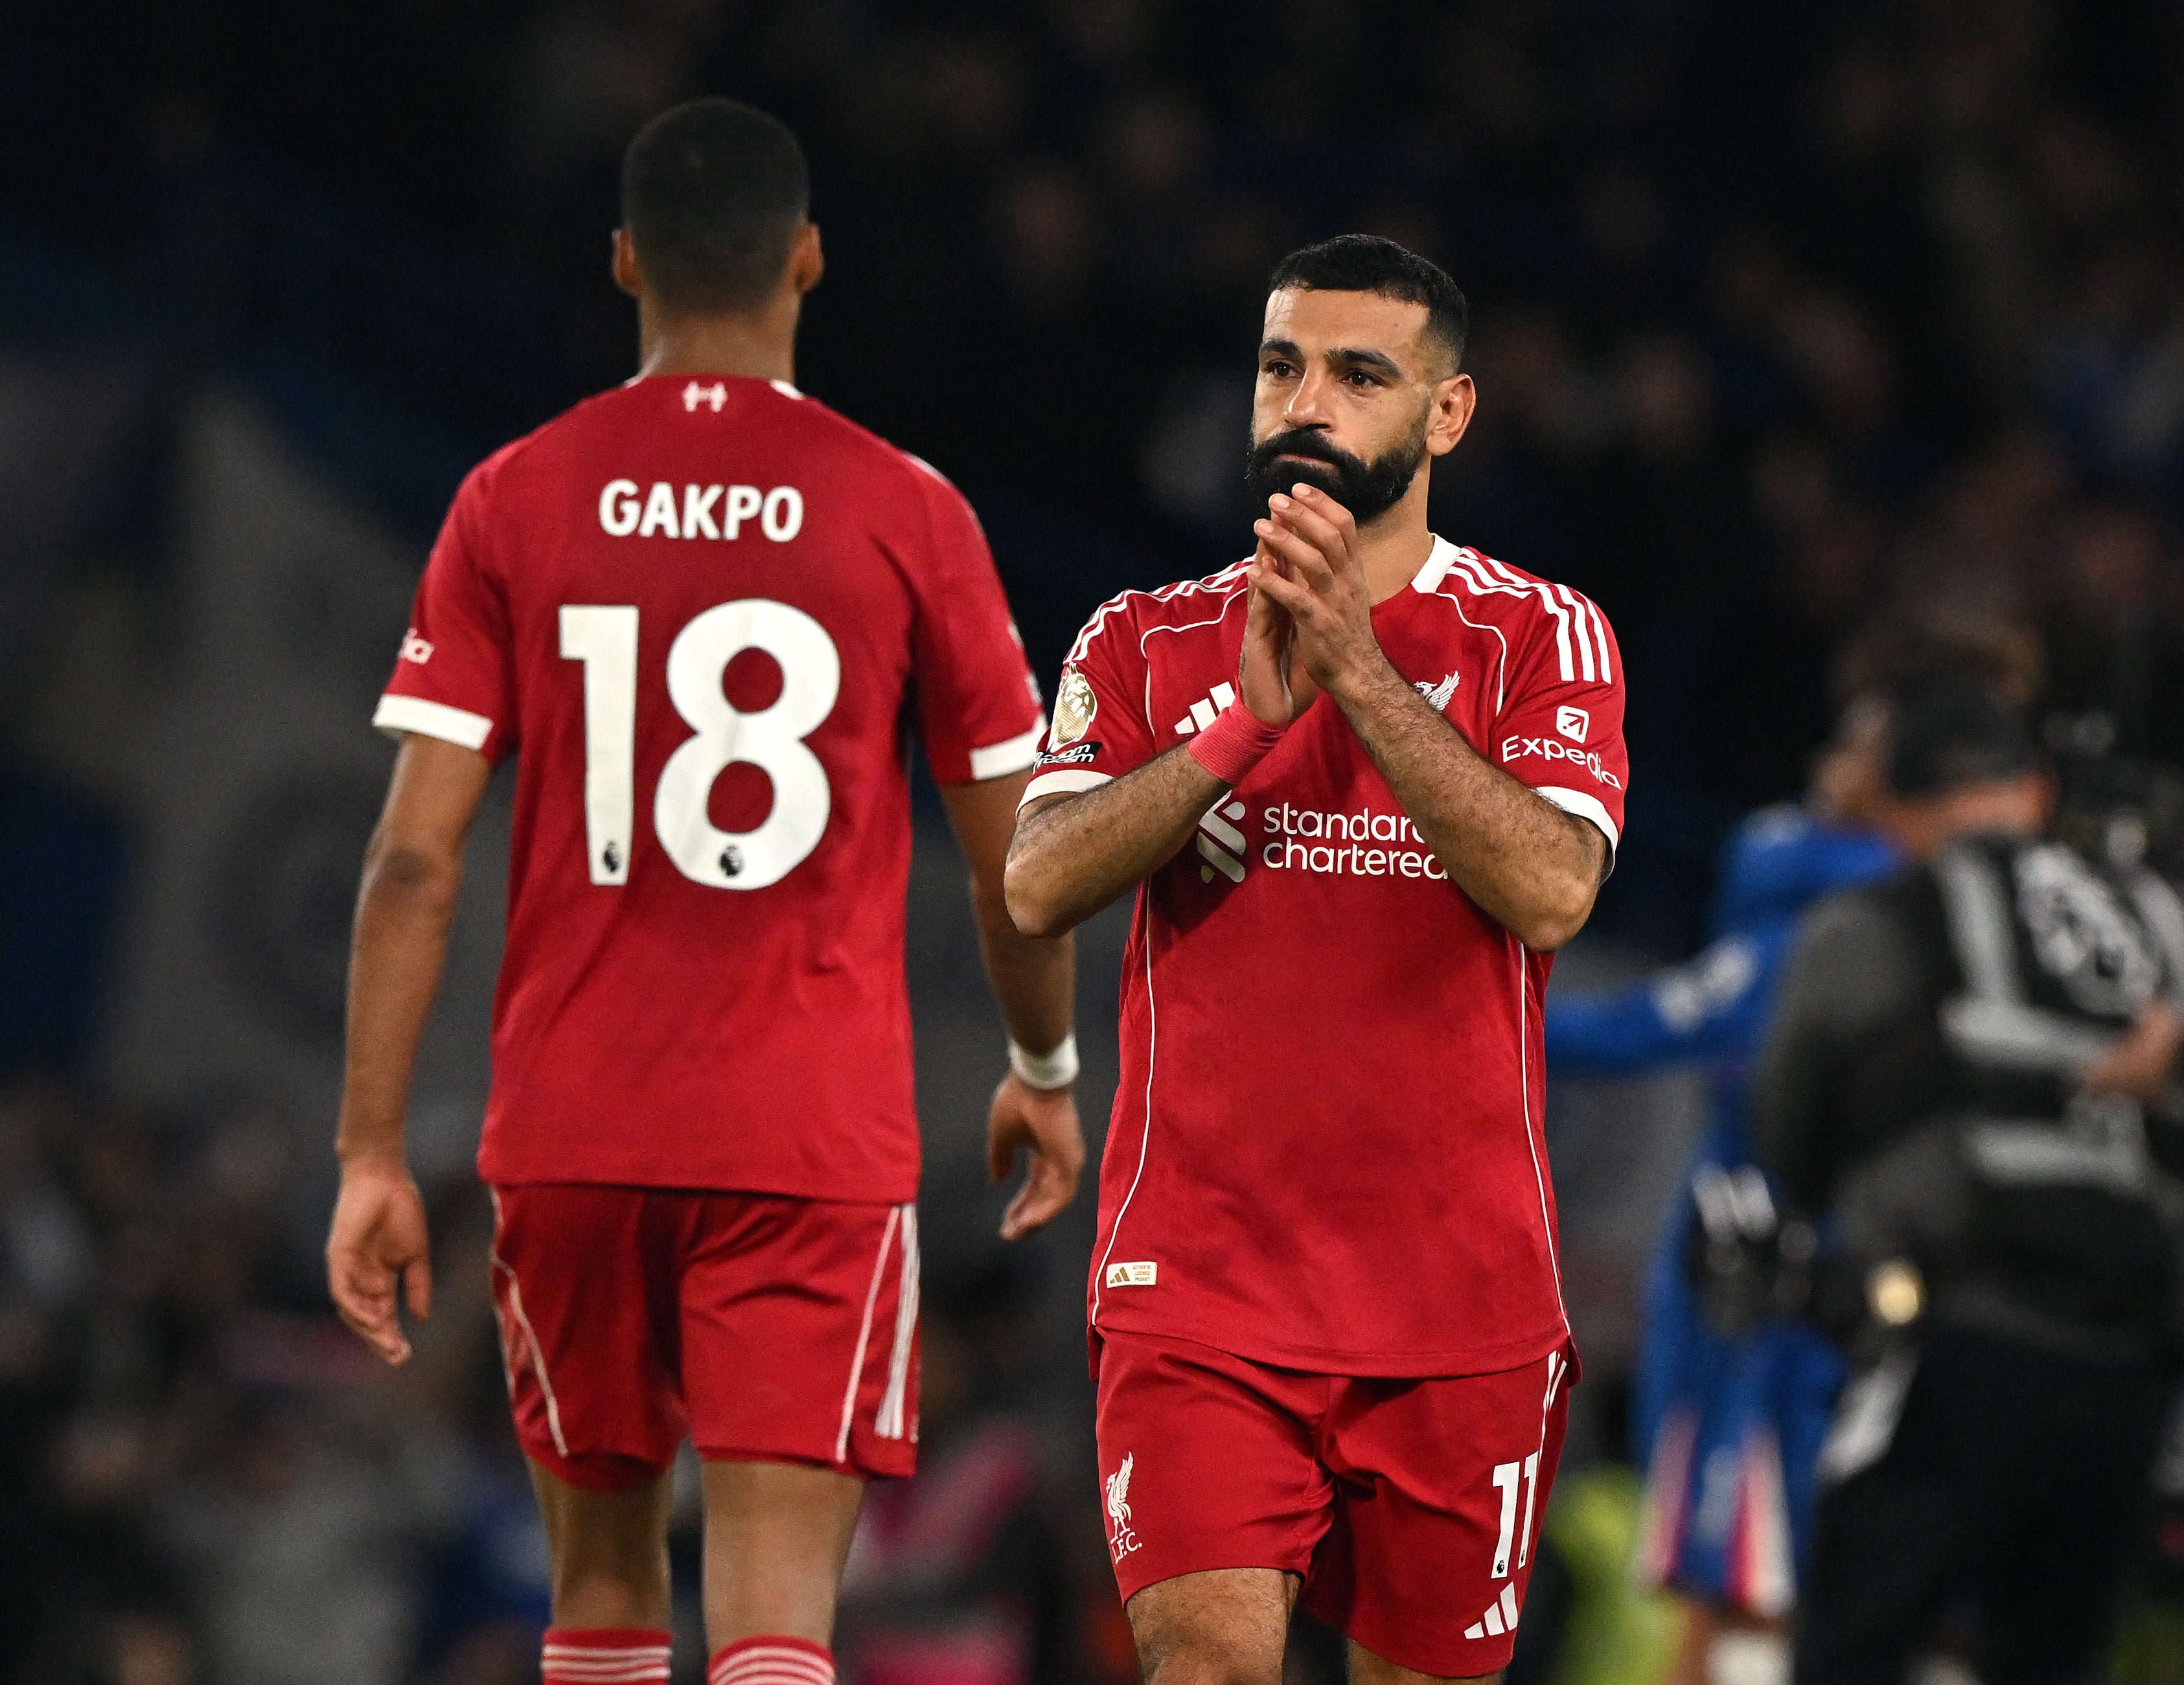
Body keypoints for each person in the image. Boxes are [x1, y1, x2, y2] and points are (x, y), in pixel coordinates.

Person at [324, 98, 1085, 1685]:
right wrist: (1041, 1069)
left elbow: (412, 854)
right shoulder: (907, 510)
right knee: (776, 1614)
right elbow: (1016, 857)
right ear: (808, 259)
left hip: (575, 1126)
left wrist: (372, 1149)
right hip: (803, 1137)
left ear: (623, 265)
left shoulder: (513, 496)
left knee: (598, 1592)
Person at [1005, 234, 1626, 1685]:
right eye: (1282, 366)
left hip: (1459, 1305)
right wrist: (1235, 728)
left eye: (1359, 373)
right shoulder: (1150, 635)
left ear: (1448, 414)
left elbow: (1549, 889)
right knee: (1206, 1667)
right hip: (1204, 1289)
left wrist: (1356, 668)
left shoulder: (1545, 635)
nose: (1307, 403)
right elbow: (1036, 881)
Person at [1545, 617, 2038, 1685]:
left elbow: (1638, 1027)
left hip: (1781, 1332)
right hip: (1873, 1321)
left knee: (1752, 1602)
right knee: (1816, 1601)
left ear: (1904, 784)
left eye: (1851, 749)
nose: (1823, 770)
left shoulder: (1833, 932)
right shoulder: (1967, 934)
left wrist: (1445, 994)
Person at [1751, 676, 2184, 1685]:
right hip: (2135, 1363)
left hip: (1955, 1337)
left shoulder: (1878, 916)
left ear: (1896, 811)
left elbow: (1788, 1128)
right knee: (2058, 1658)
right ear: (2037, 790)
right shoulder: (2155, 918)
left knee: (1856, 1642)